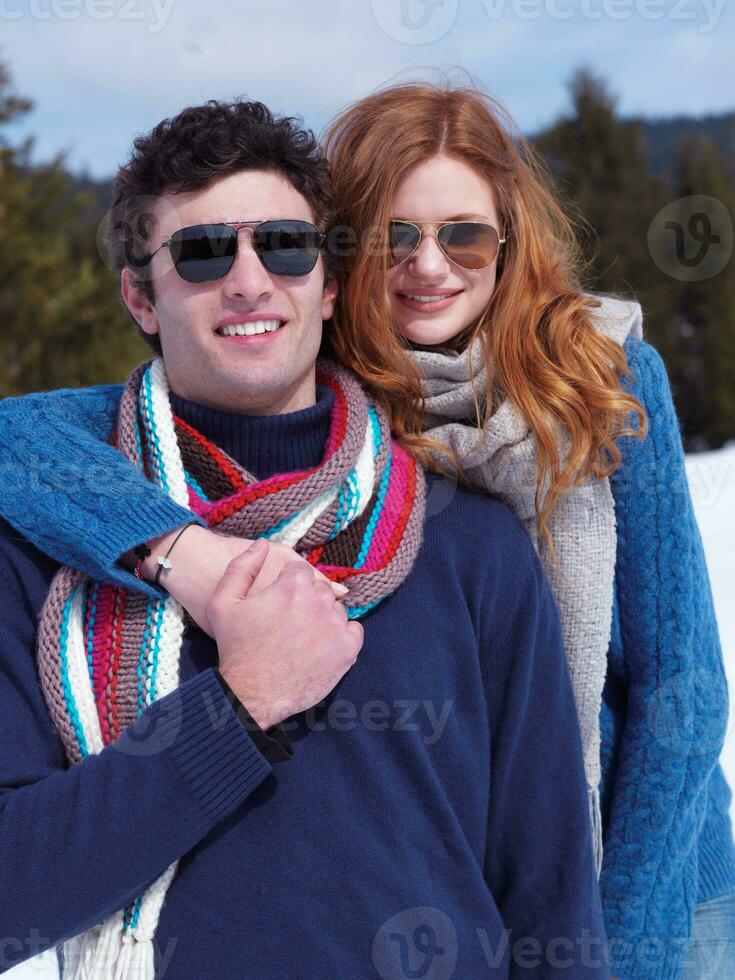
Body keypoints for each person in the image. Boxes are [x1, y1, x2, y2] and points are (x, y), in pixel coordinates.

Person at [0, 99, 610, 979]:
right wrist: (236, 706)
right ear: (140, 295)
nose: (248, 282)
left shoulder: (468, 543)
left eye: (283, 246)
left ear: (327, 283)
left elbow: (547, 889)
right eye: (203, 253)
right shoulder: (44, 552)